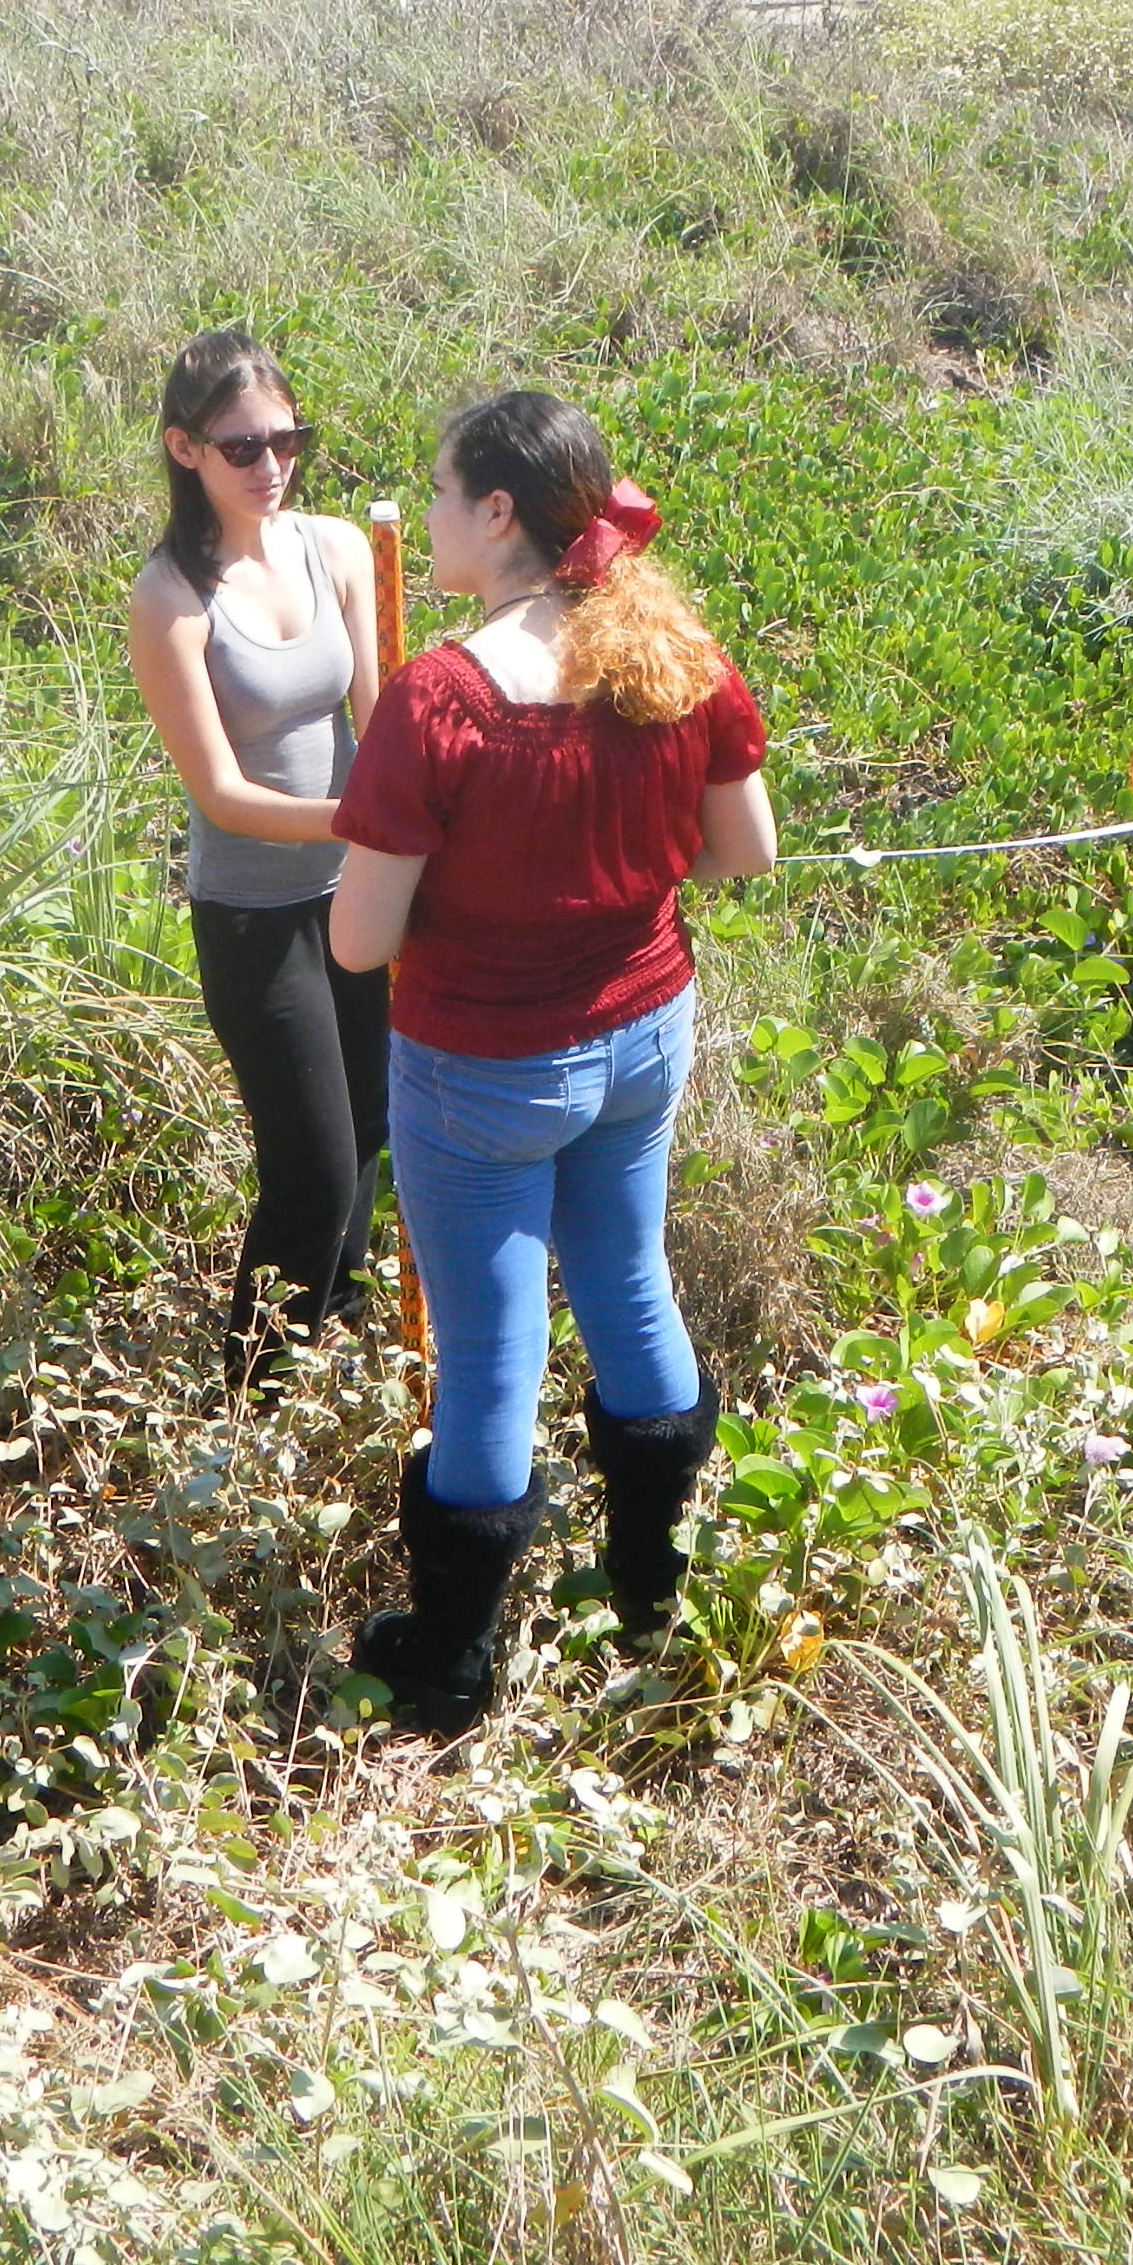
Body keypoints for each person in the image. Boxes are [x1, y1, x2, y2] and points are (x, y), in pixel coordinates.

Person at [327, 392, 779, 1735]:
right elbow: (742, 851)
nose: (438, 513)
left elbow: (359, 942)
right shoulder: (669, 650)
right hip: (642, 1029)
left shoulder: (443, 700)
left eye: (447, 493)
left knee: (485, 1359)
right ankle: (649, 1579)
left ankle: (453, 1658)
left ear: (500, 514)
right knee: (631, 1279)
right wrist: (615, 882)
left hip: (484, 1067)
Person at [123, 329, 391, 1392]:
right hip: (254, 916)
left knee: (370, 1139)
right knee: (312, 1177)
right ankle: (252, 1406)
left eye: (288, 439)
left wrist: (415, 819)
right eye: (243, 448)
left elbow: (380, 718)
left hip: (356, 892)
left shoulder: (336, 549)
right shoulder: (171, 598)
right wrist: (373, 823)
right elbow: (222, 794)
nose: (271, 466)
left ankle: (351, 1366)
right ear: (184, 450)